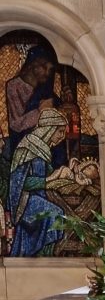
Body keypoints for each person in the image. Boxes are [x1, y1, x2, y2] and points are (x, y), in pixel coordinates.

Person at [7, 110, 68, 257]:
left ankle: (43, 253)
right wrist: (49, 181)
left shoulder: (43, 149)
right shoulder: (27, 147)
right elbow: (20, 182)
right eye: (59, 131)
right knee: (56, 214)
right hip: (24, 201)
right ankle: (43, 254)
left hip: (38, 198)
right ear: (49, 128)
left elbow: (47, 176)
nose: (62, 136)